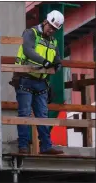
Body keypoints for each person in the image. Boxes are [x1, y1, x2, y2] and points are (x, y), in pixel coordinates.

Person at [10, 10, 65, 154]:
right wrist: (45, 62)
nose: (51, 30)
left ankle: (46, 146)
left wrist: (57, 65)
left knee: (43, 115)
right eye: (51, 27)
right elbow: (28, 50)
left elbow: (57, 59)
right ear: (45, 22)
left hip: (41, 82)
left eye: (55, 29)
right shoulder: (30, 33)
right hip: (25, 79)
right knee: (25, 113)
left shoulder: (53, 41)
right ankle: (23, 146)